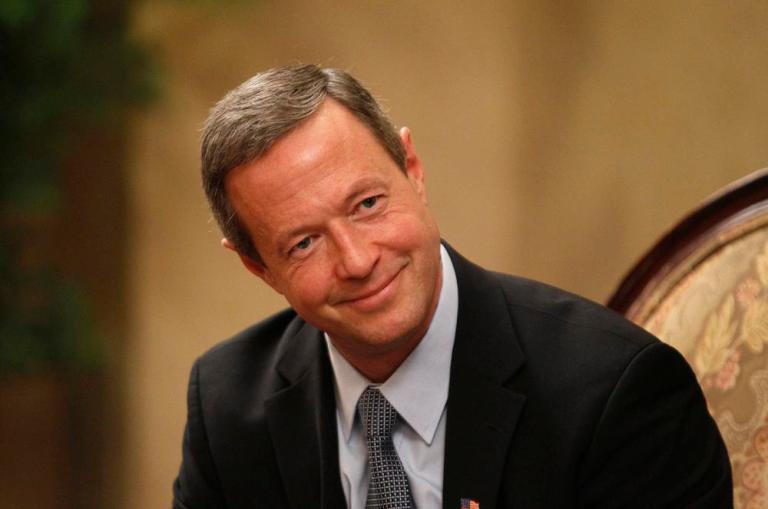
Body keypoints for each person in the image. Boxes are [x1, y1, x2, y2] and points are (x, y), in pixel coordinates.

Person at [173, 64, 732, 509]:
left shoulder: (615, 393)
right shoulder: (227, 405)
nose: (358, 261)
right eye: (303, 243)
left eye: (367, 204)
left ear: (413, 169)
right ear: (258, 268)